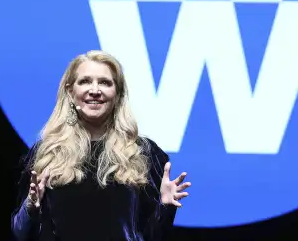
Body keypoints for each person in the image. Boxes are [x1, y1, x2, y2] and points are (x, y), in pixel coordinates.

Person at [11, 50, 191, 241]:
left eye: (105, 82)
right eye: (85, 81)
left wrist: (165, 207)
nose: (95, 90)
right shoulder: (46, 153)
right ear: (71, 92)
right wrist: (29, 210)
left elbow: (154, 237)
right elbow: (18, 233)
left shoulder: (143, 154)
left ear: (118, 94)